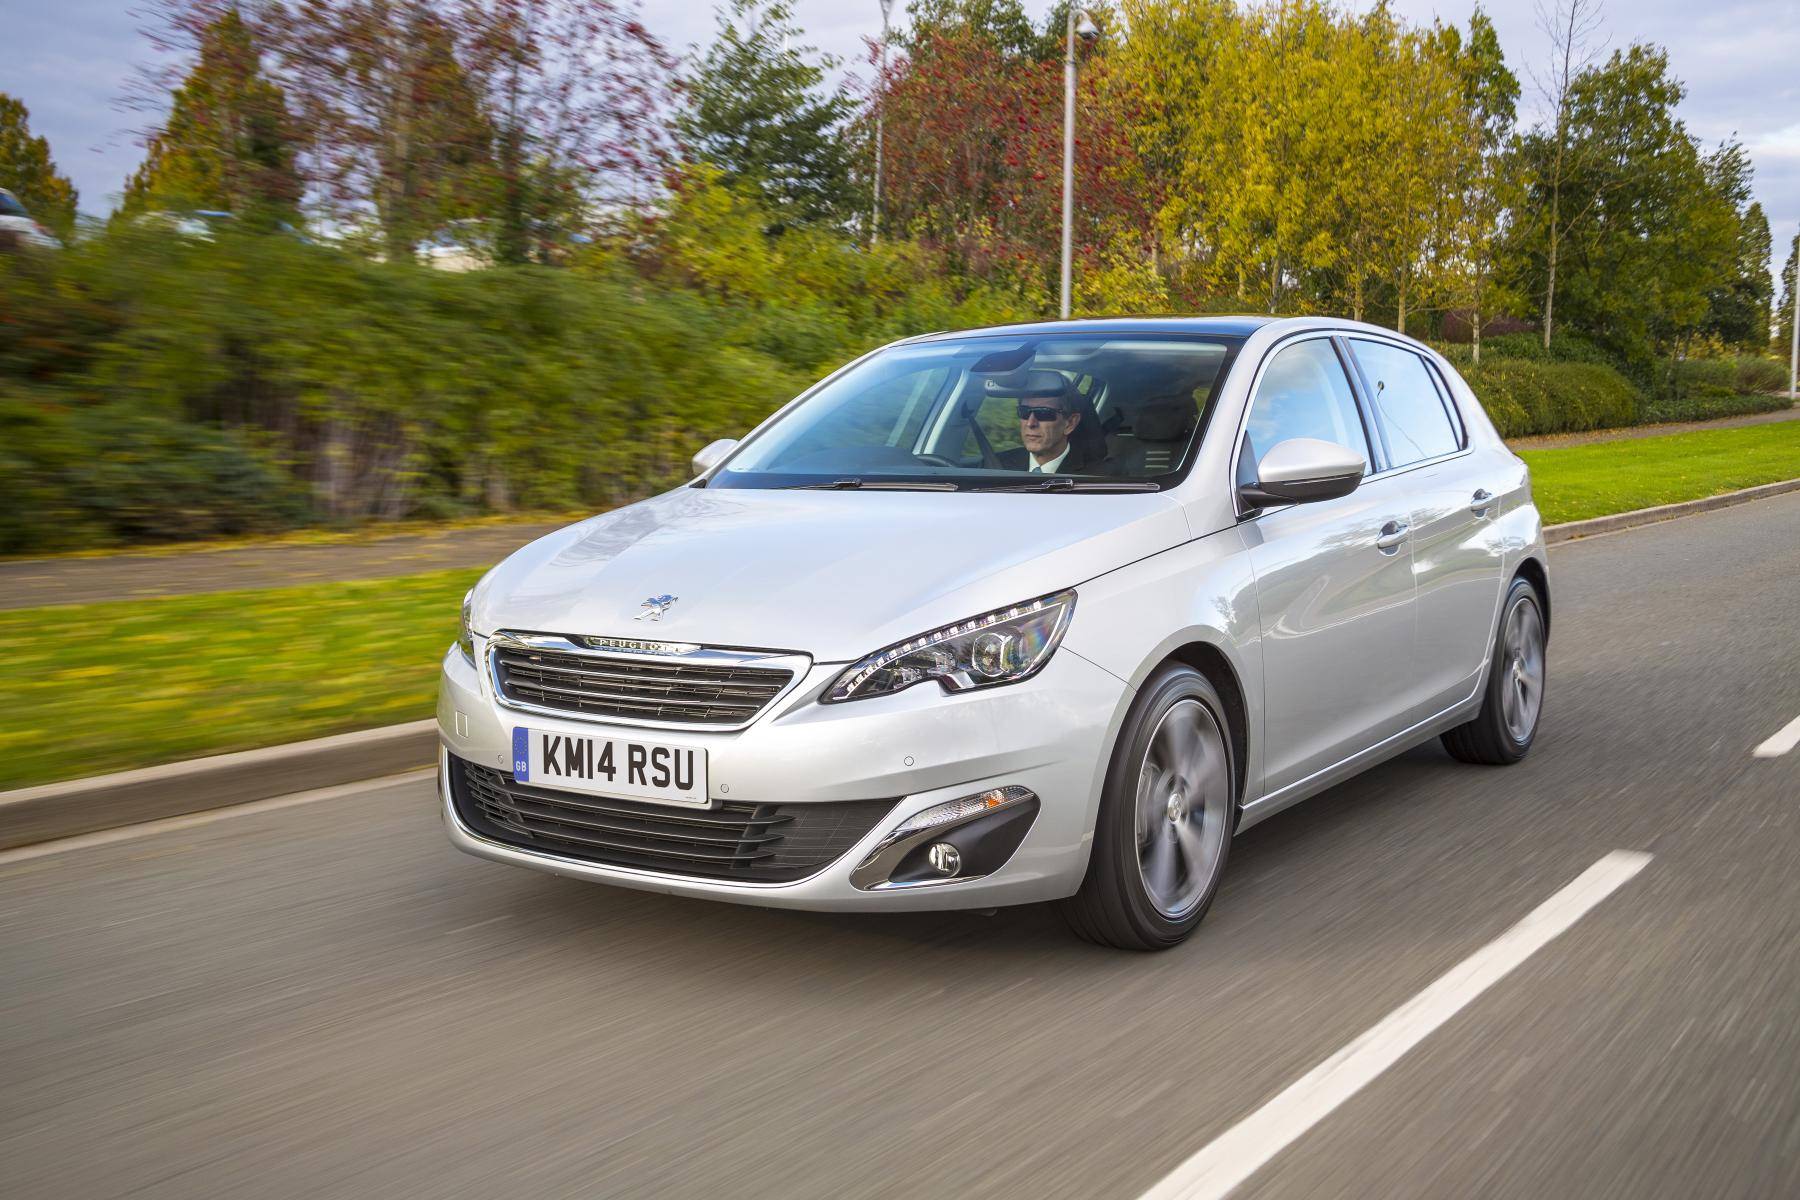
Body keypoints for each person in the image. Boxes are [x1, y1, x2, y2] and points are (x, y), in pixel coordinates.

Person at [996, 374, 1099, 473]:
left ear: (1070, 423)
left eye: (1043, 413)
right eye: (1024, 412)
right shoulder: (993, 465)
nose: (1030, 423)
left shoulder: (1099, 478)